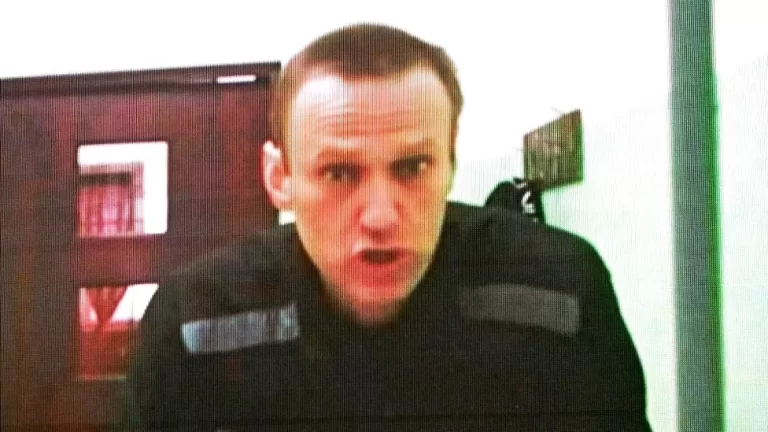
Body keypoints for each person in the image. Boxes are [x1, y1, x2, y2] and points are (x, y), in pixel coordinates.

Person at [127, 23, 650, 431]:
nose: (380, 216)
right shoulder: (196, 324)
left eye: (412, 167)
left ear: (450, 163)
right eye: (339, 172)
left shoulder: (558, 293)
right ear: (279, 178)